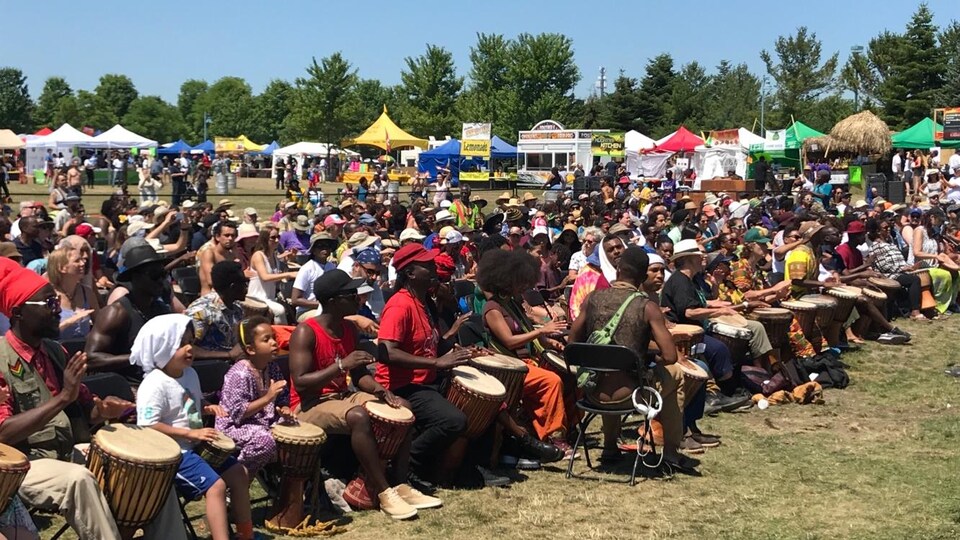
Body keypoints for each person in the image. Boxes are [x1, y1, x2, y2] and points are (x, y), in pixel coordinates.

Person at [0, 259, 186, 540]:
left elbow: (86, 407)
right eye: (49, 304)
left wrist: (103, 411)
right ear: (18, 312)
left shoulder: (55, 351)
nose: (57, 310)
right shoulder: (2, 359)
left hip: (67, 453)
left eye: (56, 302)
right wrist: (63, 398)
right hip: (23, 464)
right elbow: (3, 432)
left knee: (150, 469)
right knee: (79, 480)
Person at [289, 269, 442, 519]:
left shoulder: (348, 329)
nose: (358, 298)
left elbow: (359, 375)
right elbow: (301, 383)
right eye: (351, 294)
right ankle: (383, 491)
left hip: (341, 396)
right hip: (309, 404)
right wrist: (341, 366)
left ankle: (400, 483)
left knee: (403, 407)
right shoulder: (306, 332)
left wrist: (381, 391)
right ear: (332, 301)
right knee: (358, 416)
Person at [569, 247, 701, 471]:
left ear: (618, 270)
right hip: (630, 396)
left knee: (609, 369)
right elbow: (670, 356)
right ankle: (671, 453)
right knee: (676, 374)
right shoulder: (647, 307)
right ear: (642, 277)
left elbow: (573, 343)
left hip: (592, 393)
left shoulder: (592, 299)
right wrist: (646, 355)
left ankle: (609, 446)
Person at [374, 244, 493, 485]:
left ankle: (468, 469)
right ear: (410, 273)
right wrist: (437, 363)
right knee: (453, 420)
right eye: (427, 265)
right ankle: (406, 462)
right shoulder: (399, 305)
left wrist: (463, 352)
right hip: (403, 385)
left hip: (426, 379)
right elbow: (386, 352)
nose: (433, 269)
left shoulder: (424, 302)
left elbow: (432, 346)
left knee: (484, 406)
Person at [133, 314, 254, 540]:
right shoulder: (154, 384)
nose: (189, 348)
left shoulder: (190, 373)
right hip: (173, 454)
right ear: (162, 347)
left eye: (190, 341)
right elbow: (148, 425)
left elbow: (189, 401)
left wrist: (207, 407)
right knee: (216, 487)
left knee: (240, 473)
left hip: (195, 446)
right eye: (180, 344)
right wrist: (190, 433)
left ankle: (246, 534)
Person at [477, 249, 572, 457]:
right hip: (511, 366)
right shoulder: (492, 308)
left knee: (574, 377)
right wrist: (542, 331)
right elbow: (509, 341)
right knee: (551, 381)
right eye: (520, 282)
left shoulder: (512, 303)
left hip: (529, 360)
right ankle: (554, 437)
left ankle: (567, 425)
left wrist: (551, 343)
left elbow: (528, 332)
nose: (525, 286)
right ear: (506, 280)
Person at [215, 316, 291, 477]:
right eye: (266, 339)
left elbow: (283, 396)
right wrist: (267, 398)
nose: (274, 343)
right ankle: (239, 477)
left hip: (263, 421)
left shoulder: (272, 367)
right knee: (264, 440)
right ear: (250, 349)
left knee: (294, 430)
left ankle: (281, 481)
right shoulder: (240, 374)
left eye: (274, 337)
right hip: (235, 426)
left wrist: (285, 409)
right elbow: (238, 414)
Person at [85, 244, 171, 383]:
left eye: (163, 274)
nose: (162, 281)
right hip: (128, 386)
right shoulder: (116, 313)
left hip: (161, 383)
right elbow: (90, 358)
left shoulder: (162, 310)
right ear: (135, 277)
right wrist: (137, 357)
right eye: (155, 275)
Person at [184, 261, 246, 360]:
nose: (246, 287)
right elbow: (186, 348)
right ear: (233, 287)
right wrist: (228, 355)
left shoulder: (237, 307)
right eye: (244, 283)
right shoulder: (201, 311)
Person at [45, 248, 97, 340]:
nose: (83, 263)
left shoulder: (87, 293)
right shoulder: (48, 295)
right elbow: (44, 336)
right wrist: (70, 321)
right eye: (77, 261)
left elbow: (99, 325)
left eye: (82, 260)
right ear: (61, 267)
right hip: (57, 348)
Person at [248, 229, 297, 323]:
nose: (277, 240)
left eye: (278, 237)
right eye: (273, 237)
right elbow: (265, 277)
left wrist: (290, 258)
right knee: (279, 310)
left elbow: (278, 273)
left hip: (270, 297)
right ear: (265, 239)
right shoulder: (258, 255)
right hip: (257, 297)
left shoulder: (274, 256)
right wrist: (288, 274)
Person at [198, 221, 238, 296]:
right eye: (226, 235)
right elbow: (212, 281)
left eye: (233, 236)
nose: (230, 238)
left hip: (228, 296)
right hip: (210, 296)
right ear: (217, 237)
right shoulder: (209, 253)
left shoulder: (231, 255)